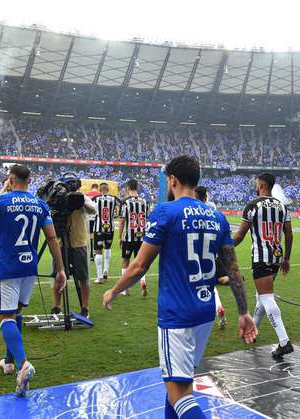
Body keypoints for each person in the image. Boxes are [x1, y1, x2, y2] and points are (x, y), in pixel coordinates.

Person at [103, 155, 256, 419]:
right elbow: (233, 269)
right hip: (204, 313)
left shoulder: (165, 212)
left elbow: (140, 265)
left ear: (172, 180)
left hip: (176, 315)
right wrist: (243, 312)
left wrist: (114, 290)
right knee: (175, 384)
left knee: (179, 393)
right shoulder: (217, 217)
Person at [0, 164, 66, 396]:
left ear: (10, 179)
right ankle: (9, 361)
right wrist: (61, 270)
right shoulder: (41, 204)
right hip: (29, 266)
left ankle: (24, 364)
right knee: (16, 312)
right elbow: (53, 238)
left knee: (6, 317)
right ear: (29, 180)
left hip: (8, 266)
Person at [232, 172, 294, 358]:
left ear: (260, 184)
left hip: (261, 257)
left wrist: (224, 247)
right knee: (261, 296)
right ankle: (254, 330)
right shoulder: (282, 207)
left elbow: (240, 235)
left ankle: (284, 341)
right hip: (277, 256)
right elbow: (289, 235)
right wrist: (286, 258)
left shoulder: (253, 205)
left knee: (266, 297)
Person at [51, 175, 97, 318]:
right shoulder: (58, 197)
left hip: (78, 242)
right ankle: (57, 306)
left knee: (83, 276)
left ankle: (85, 307)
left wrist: (81, 202)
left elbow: (93, 210)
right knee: (58, 275)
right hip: (61, 242)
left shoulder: (82, 197)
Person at [195, 185, 228, 329]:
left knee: (193, 283)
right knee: (210, 284)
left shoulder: (193, 209)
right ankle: (218, 307)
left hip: (196, 250)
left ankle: (200, 315)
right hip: (211, 250)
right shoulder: (212, 208)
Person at [117, 179, 149, 297]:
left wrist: (120, 237)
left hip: (129, 237)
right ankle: (143, 281)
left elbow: (121, 221)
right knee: (140, 262)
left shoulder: (125, 202)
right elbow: (147, 218)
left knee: (125, 260)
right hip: (141, 237)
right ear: (137, 187)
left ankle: (125, 288)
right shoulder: (145, 202)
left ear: (127, 188)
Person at [93, 182, 120, 283]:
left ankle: (99, 277)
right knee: (107, 248)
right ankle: (106, 271)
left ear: (100, 190)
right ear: (108, 190)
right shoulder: (114, 199)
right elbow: (122, 205)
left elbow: (90, 210)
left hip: (98, 228)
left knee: (98, 251)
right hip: (110, 228)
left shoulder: (96, 198)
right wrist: (116, 214)